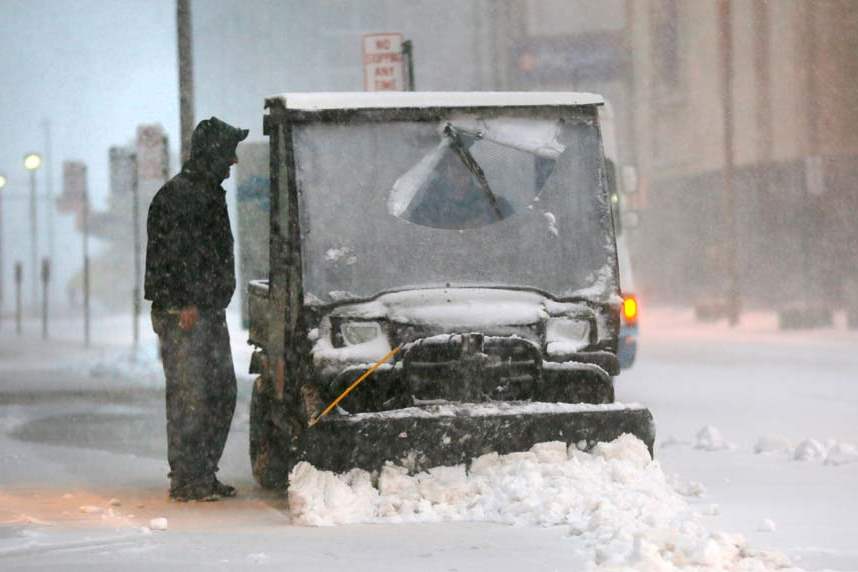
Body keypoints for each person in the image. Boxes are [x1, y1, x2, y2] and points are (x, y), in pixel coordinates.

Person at [144, 117, 248, 502]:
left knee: (219, 392)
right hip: (186, 314)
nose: (234, 161)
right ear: (213, 153)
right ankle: (188, 477)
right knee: (192, 395)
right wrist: (182, 302)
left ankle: (201, 471)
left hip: (205, 309)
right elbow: (169, 256)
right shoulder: (180, 195)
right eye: (229, 152)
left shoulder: (201, 191)